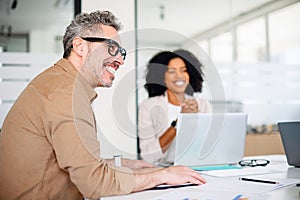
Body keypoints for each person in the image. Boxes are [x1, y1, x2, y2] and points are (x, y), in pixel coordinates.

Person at [0, 11, 206, 199]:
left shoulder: (61, 84)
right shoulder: (64, 93)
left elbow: (73, 164)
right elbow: (94, 182)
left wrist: (123, 164)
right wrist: (162, 175)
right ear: (80, 46)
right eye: (112, 48)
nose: (120, 60)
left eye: (121, 52)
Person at [139, 49, 212, 164]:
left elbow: (209, 148)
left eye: (184, 70)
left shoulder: (202, 105)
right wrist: (179, 122)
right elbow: (148, 156)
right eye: (172, 71)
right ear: (162, 77)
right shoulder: (148, 106)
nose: (179, 76)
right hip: (163, 170)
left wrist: (196, 119)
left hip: (196, 167)